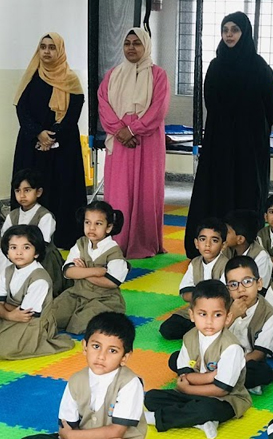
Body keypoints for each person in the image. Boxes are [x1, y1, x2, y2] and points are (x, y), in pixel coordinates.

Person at [17, 312, 146, 439]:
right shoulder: (76, 381)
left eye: (112, 351)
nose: (101, 356)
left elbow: (116, 432)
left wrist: (73, 437)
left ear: (125, 357)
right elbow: (66, 428)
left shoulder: (130, 383)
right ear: (84, 346)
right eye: (96, 346)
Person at [184, 11, 273, 259]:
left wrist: (251, 128)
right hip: (221, 142)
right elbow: (211, 101)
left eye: (234, 30)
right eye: (225, 30)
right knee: (220, 188)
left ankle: (245, 245)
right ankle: (215, 243)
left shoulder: (259, 67)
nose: (229, 35)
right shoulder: (216, 66)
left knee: (247, 190)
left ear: (244, 33)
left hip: (250, 144)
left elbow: (271, 106)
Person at [144, 280, 252, 439]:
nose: (209, 321)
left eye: (217, 315)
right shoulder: (189, 337)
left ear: (228, 317)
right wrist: (208, 377)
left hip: (225, 399)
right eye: (203, 314)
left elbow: (221, 389)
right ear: (192, 315)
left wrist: (187, 389)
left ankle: (159, 418)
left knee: (206, 409)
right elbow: (184, 375)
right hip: (196, 392)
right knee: (152, 397)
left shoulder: (231, 347)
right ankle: (199, 422)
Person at [98, 27, 170, 259]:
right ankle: (116, 241)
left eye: (137, 43)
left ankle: (145, 241)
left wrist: (132, 130)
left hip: (147, 140)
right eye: (127, 43)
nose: (131, 47)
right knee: (119, 191)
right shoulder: (113, 75)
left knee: (147, 191)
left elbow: (158, 109)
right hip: (120, 141)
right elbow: (103, 104)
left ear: (146, 46)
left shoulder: (158, 75)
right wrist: (120, 131)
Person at [12, 32, 87, 250]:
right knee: (33, 186)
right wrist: (38, 133)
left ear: (60, 50)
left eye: (52, 47)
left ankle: (63, 237)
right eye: (43, 47)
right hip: (32, 144)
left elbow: (73, 114)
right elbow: (22, 109)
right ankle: (28, 238)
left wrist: (52, 136)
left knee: (61, 188)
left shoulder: (71, 80)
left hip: (63, 146)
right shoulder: (31, 77)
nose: (46, 51)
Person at [53, 201, 128, 334]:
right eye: (87, 222)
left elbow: (111, 282)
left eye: (98, 224)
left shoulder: (114, 251)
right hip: (76, 293)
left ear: (109, 227)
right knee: (51, 317)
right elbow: (68, 271)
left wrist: (82, 272)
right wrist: (94, 271)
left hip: (103, 298)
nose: (91, 228)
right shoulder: (80, 243)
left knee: (78, 326)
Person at [0, 225, 73, 359]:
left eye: (26, 247)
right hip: (9, 316)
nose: (19, 252)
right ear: (7, 253)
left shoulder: (39, 279)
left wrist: (4, 309)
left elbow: (25, 315)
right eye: (13, 247)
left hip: (31, 324)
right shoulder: (7, 271)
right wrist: (8, 315)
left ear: (36, 252)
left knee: (4, 349)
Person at [159, 217, 228, 340]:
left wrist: (198, 295)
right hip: (196, 310)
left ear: (223, 245)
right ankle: (198, 330)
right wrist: (202, 297)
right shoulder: (194, 263)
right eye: (203, 239)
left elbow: (222, 298)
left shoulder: (226, 265)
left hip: (216, 313)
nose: (207, 244)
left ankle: (201, 331)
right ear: (196, 243)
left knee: (213, 327)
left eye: (214, 240)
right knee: (167, 329)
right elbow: (185, 294)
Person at [1, 169, 65, 296]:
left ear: (38, 192)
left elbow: (41, 245)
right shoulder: (12, 216)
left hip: (40, 257)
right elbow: (4, 239)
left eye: (27, 190)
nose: (22, 195)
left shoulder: (45, 216)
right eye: (18, 191)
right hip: (17, 254)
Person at [225, 256, 273, 394]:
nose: (241, 289)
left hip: (246, 361)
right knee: (177, 358)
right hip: (217, 356)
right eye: (233, 285)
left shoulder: (269, 315)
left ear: (259, 284)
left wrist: (233, 364)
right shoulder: (222, 305)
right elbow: (208, 335)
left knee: (262, 372)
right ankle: (226, 381)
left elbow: (259, 354)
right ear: (228, 289)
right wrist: (232, 316)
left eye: (247, 282)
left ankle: (217, 379)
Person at [224, 210, 273, 290]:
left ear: (240, 239)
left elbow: (259, 289)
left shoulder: (261, 257)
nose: (223, 234)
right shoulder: (226, 249)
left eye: (227, 232)